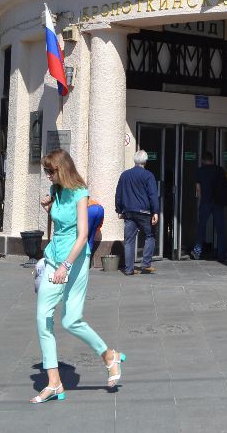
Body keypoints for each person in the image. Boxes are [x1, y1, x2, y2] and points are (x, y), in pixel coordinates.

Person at [32, 149, 124, 403]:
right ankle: (54, 382)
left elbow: (83, 234)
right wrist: (47, 203)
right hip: (53, 258)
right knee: (43, 318)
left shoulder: (79, 193)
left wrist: (66, 266)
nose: (48, 176)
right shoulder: (56, 190)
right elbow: (57, 218)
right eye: (46, 172)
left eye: (51, 171)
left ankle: (108, 355)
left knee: (71, 320)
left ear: (62, 169)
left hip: (75, 260)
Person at [114, 150, 160, 275]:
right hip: (144, 212)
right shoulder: (148, 175)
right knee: (150, 236)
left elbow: (118, 193)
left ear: (135, 161)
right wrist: (155, 211)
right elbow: (153, 195)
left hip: (128, 211)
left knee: (129, 240)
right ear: (145, 161)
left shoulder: (124, 175)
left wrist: (119, 209)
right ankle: (145, 263)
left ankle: (129, 269)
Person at [191, 150, 227, 260]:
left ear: (203, 160)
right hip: (218, 202)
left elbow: (198, 190)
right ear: (212, 159)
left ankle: (197, 252)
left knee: (201, 227)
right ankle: (221, 254)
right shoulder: (219, 170)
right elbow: (225, 184)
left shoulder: (200, 171)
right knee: (220, 228)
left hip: (205, 202)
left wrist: (200, 200)